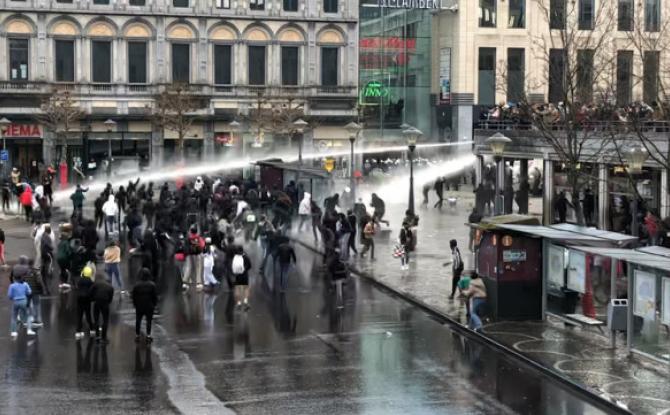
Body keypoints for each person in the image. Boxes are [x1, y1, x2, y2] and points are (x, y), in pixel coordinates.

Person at [132, 268, 158, 343]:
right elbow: (154, 296)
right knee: (149, 321)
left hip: (139, 306)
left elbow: (134, 296)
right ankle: (148, 335)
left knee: (138, 320)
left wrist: (135, 304)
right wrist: (154, 304)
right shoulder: (152, 285)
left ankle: (137, 335)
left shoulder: (137, 285)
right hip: (149, 306)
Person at [7, 273, 35, 339]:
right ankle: (29, 330)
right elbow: (29, 292)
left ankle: (14, 331)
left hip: (15, 302)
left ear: (14, 279)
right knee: (28, 315)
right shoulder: (25, 284)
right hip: (24, 301)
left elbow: (9, 295)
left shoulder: (12, 285)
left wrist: (13, 298)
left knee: (14, 316)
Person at [90, 276, 114, 344]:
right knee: (105, 320)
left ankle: (97, 336)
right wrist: (107, 302)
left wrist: (93, 299)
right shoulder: (111, 287)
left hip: (97, 302)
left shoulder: (96, 284)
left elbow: (90, 292)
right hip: (105, 303)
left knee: (96, 319)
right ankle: (104, 337)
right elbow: (110, 298)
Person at [75, 266, 95, 340]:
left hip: (79, 299)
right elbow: (92, 291)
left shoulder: (80, 280)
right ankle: (92, 329)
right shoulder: (90, 281)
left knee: (79, 315)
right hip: (87, 299)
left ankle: (78, 331)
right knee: (88, 314)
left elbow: (77, 287)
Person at [230, 245, 252, 309]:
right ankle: (245, 301)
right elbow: (250, 266)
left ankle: (239, 303)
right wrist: (245, 269)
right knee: (245, 288)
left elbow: (233, 266)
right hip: (244, 275)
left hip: (238, 276)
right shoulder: (246, 257)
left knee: (238, 289)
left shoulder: (236, 257)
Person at [24, 263, 43, 327]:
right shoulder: (36, 271)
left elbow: (23, 281)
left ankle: (27, 320)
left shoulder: (24, 272)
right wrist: (41, 289)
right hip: (35, 291)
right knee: (36, 305)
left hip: (27, 292)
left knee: (27, 305)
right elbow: (39, 281)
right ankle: (36, 320)